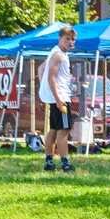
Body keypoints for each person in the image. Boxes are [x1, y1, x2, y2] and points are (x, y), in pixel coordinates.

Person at [38, 26, 78, 173]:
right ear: (60, 38)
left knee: (54, 130)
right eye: (67, 39)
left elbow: (41, 69)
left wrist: (46, 91)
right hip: (61, 98)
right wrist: (57, 98)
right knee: (64, 132)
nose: (70, 42)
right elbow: (51, 77)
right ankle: (65, 163)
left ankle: (49, 162)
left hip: (56, 97)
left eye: (73, 39)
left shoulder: (55, 52)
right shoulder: (58, 55)